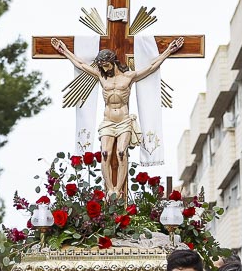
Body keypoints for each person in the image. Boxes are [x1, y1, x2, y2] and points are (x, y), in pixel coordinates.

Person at [50, 35, 184, 195]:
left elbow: (151, 66)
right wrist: (64, 50)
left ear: (112, 61)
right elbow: (80, 64)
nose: (104, 68)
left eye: (106, 65)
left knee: (121, 152)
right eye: (101, 65)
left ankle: (118, 188)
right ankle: (110, 189)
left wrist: (168, 51)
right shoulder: (101, 77)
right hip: (108, 121)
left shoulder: (128, 77)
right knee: (105, 153)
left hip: (123, 121)